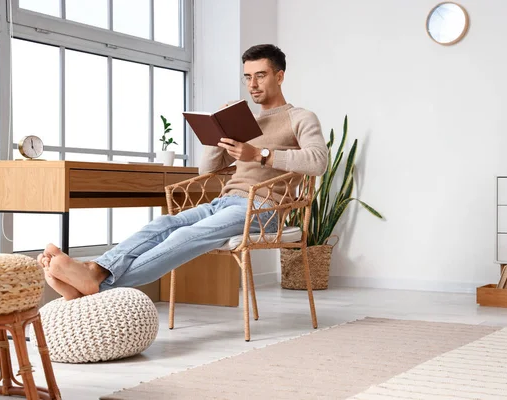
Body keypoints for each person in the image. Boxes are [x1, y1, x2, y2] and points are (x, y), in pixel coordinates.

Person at [37, 44, 329, 301]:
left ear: (279, 76)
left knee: (187, 235)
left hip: (263, 209)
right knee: (162, 224)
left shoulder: (300, 118)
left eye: (260, 75)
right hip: (225, 203)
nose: (252, 84)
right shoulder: (245, 119)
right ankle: (95, 270)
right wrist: (218, 130)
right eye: (247, 77)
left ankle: (96, 285)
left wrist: (260, 155)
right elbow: (208, 170)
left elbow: (317, 162)